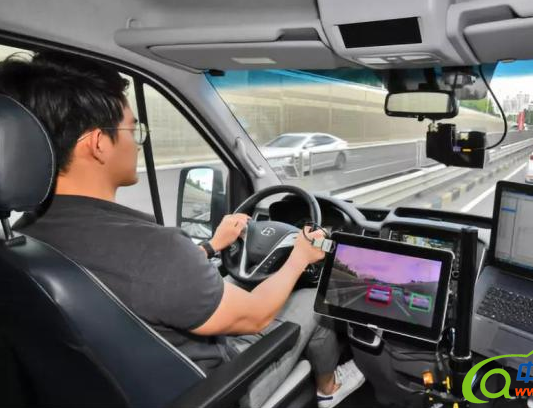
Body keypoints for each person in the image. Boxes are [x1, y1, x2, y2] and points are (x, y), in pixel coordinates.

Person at [0, 51, 364, 408]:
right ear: (97, 144)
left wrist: (211, 246)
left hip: (119, 386)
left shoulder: (24, 240)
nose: (136, 143)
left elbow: (133, 283)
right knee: (313, 298)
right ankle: (329, 388)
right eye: (131, 129)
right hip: (219, 387)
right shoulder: (150, 248)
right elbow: (256, 315)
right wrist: (300, 257)